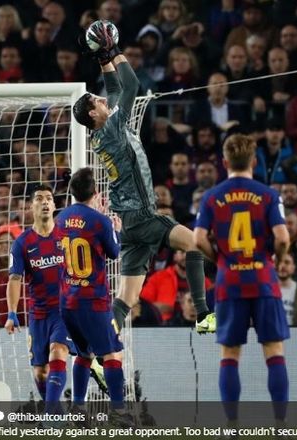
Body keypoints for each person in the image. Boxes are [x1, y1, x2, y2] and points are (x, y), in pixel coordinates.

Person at [72, 20, 213, 334]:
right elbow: (130, 87)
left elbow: (114, 88)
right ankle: (203, 314)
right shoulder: (110, 128)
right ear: (93, 114)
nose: (103, 100)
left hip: (128, 223)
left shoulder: (103, 134)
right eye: (96, 101)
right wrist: (116, 50)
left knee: (126, 298)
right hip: (142, 213)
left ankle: (102, 347)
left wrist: (103, 58)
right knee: (194, 243)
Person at [194, 134, 291, 427]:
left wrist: (220, 258)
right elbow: (283, 238)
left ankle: (232, 426)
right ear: (255, 161)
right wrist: (275, 257)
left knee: (230, 354)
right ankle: (280, 425)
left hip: (229, 282)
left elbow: (198, 239)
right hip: (263, 279)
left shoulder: (211, 197)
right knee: (273, 351)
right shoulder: (269, 195)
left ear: (224, 163)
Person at [55, 168, 129, 422]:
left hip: (68, 301)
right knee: (112, 354)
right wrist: (117, 230)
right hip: (93, 300)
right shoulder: (100, 221)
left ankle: (78, 408)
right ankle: (119, 412)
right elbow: (114, 253)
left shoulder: (61, 218)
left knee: (83, 354)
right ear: (95, 193)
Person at [5, 185, 73, 413]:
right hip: (38, 314)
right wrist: (12, 313)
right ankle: (57, 413)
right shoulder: (22, 243)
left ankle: (50, 414)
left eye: (49, 199)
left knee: (58, 351)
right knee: (40, 373)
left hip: (65, 311)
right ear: (31, 206)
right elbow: (15, 279)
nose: (45, 202)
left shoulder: (66, 235)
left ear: (54, 206)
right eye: (39, 199)